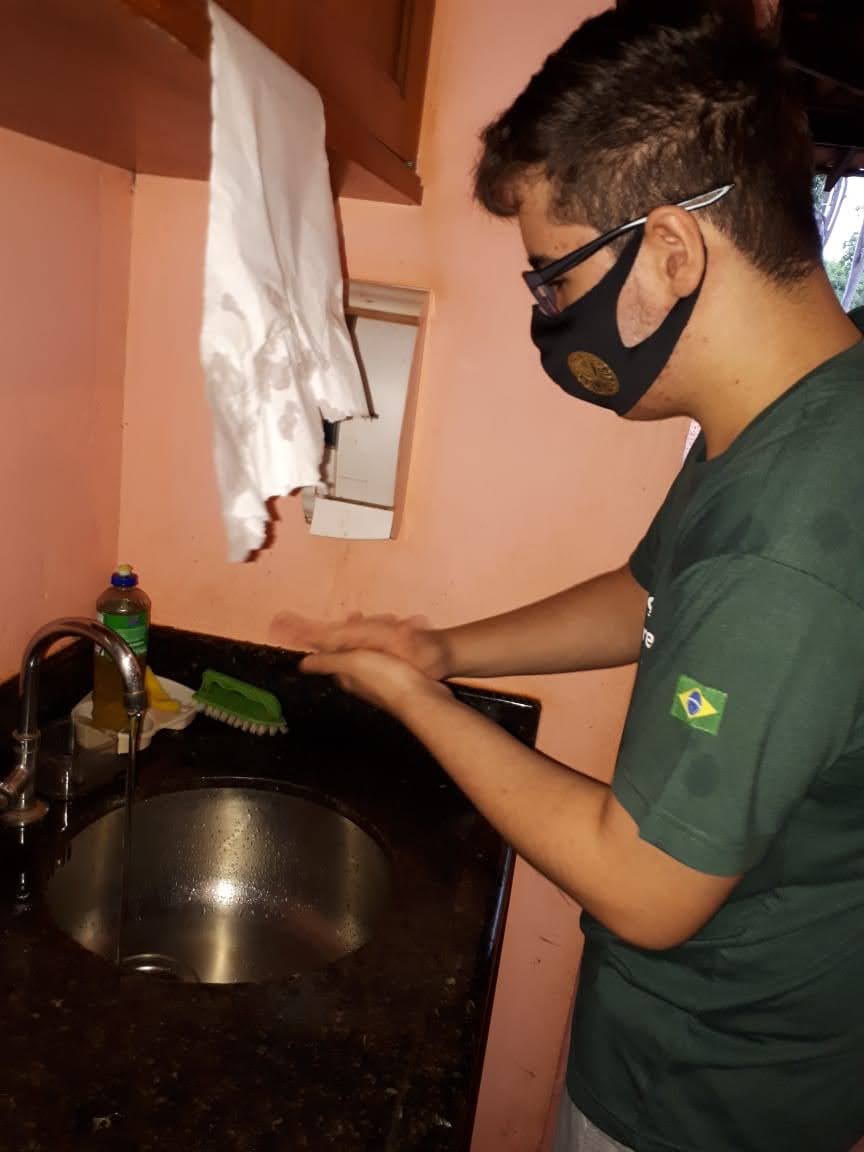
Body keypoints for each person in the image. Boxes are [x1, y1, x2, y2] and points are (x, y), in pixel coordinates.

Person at [271, 4, 864, 1149]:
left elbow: (645, 889)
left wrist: (417, 704)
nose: (550, 314)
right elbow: (649, 594)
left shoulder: (794, 541)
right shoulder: (795, 425)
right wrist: (443, 650)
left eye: (553, 279)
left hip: (706, 1096)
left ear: (674, 250)